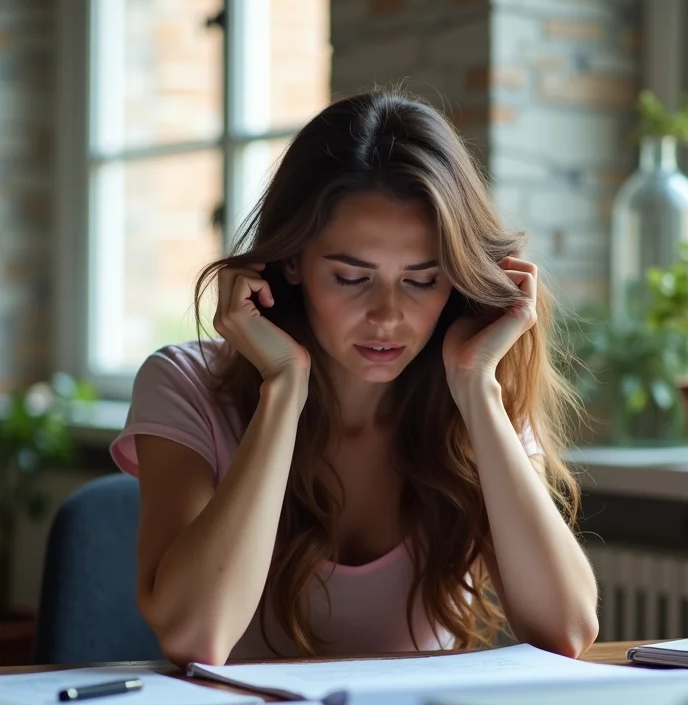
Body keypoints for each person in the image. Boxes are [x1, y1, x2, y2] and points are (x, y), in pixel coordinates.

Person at [110, 89, 599, 667]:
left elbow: (566, 629)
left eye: (421, 280)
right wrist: (283, 391)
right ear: (292, 263)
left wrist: (478, 389)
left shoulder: (474, 393)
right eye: (350, 277)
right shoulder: (184, 383)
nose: (388, 315)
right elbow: (196, 637)